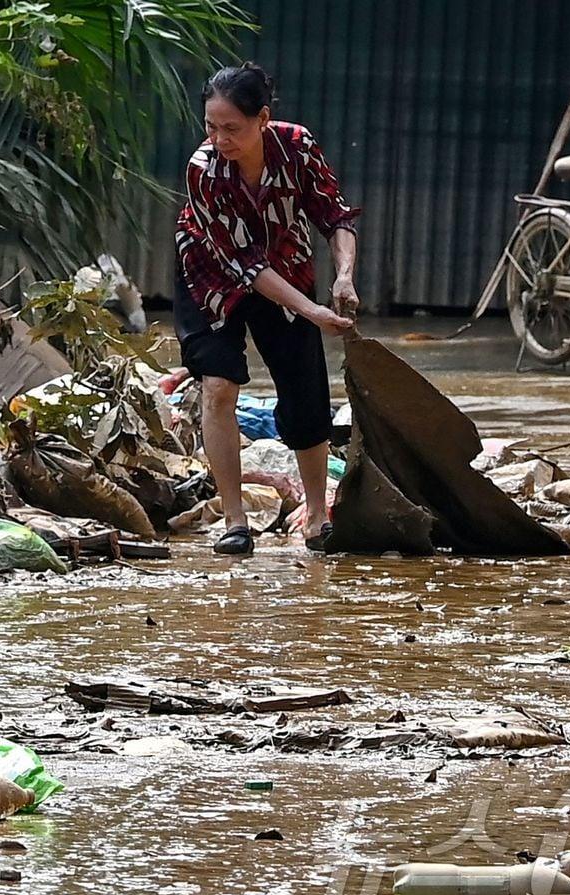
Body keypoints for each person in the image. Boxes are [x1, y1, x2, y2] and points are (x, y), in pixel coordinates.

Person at [174, 62, 360, 556]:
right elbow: (245, 265)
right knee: (218, 385)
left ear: (263, 119)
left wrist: (344, 275)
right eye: (211, 127)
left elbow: (334, 214)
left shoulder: (297, 146)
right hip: (210, 272)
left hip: (288, 263)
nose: (219, 139)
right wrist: (314, 313)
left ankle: (318, 517)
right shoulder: (203, 169)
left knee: (305, 393)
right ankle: (235, 522)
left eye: (231, 128)